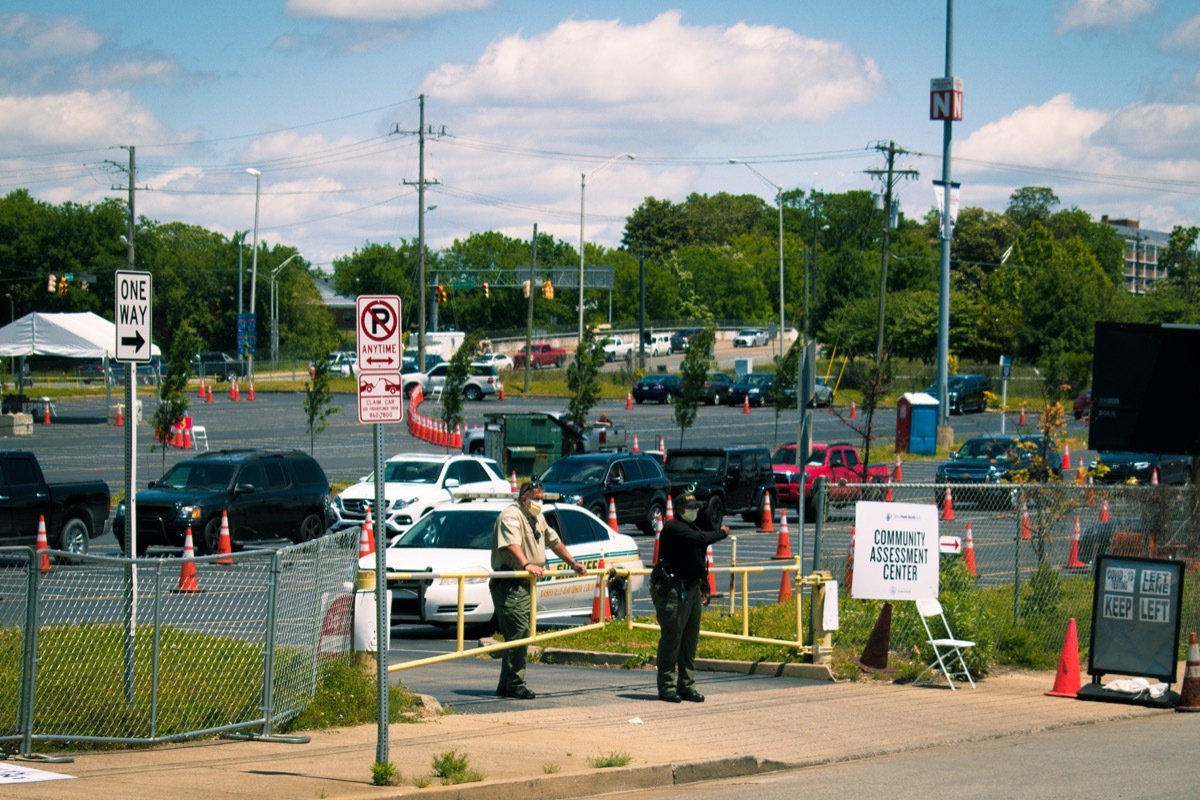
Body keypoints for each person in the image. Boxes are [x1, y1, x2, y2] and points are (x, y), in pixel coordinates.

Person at [490, 480, 587, 699]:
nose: (539, 503)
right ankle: (516, 684)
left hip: (526, 585)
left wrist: (573, 563)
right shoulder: (511, 516)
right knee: (520, 634)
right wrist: (526, 564)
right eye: (535, 499)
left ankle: (506, 684)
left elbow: (554, 541)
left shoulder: (537, 518)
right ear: (523, 498)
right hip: (511, 584)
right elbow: (511, 545)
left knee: (519, 635)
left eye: (541, 499)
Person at [650, 489, 729, 703]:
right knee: (672, 639)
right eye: (690, 508)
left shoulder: (692, 527)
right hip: (674, 590)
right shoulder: (674, 528)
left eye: (696, 507)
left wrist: (703, 585)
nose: (694, 511)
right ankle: (666, 687)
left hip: (692, 588)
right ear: (679, 510)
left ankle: (686, 686)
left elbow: (697, 559)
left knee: (689, 640)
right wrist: (722, 532)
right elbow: (702, 539)